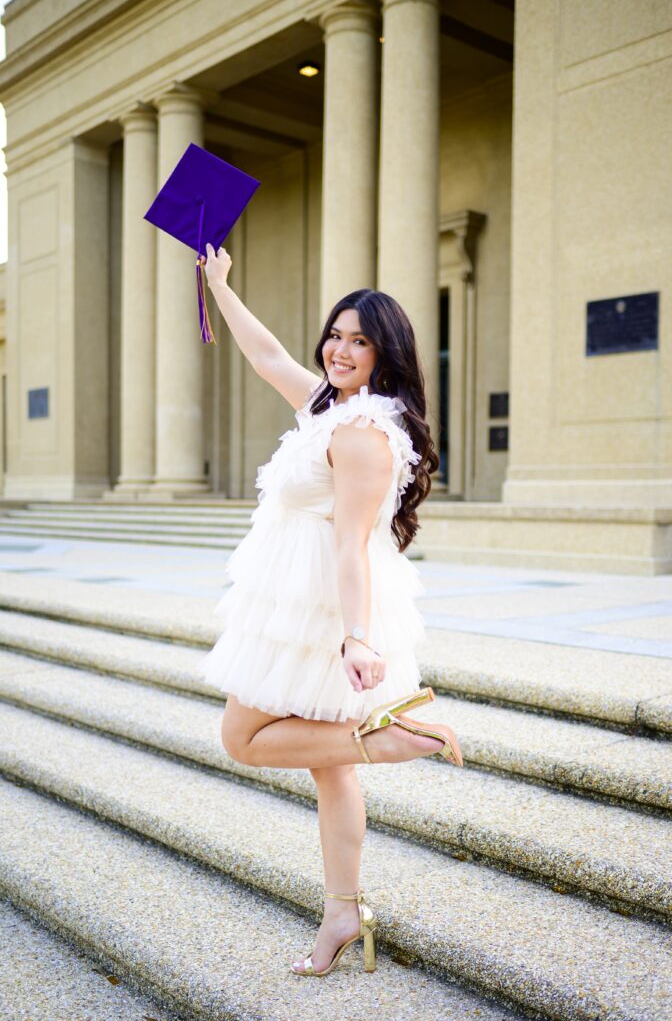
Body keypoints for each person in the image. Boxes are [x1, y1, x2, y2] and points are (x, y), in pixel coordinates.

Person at [196, 242, 463, 978]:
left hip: (319, 612)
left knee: (243, 738)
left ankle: (385, 741)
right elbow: (266, 353)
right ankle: (343, 911)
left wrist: (354, 638)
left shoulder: (363, 435)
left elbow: (351, 545)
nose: (340, 349)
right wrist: (220, 284)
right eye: (336, 334)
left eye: (359, 340)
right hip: (296, 600)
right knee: (329, 768)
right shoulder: (328, 408)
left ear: (387, 355)